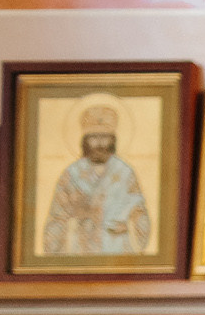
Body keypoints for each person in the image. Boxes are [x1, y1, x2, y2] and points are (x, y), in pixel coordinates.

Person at [43, 102, 149, 256]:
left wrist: (128, 227)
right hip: (80, 249)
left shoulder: (125, 173)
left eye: (105, 137)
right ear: (85, 140)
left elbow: (140, 214)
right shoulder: (71, 174)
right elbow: (57, 218)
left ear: (112, 140)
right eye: (94, 137)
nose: (99, 143)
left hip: (117, 250)